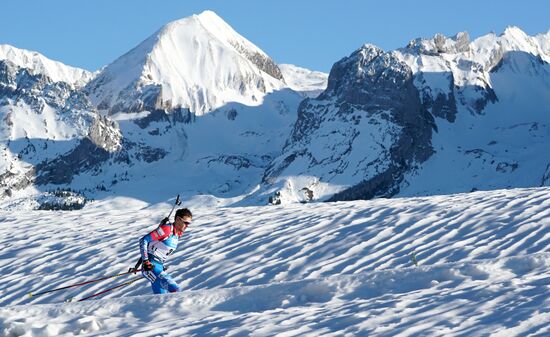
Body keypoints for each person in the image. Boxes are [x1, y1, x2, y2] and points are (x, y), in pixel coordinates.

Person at [137, 208, 192, 294]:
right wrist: (146, 261)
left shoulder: (177, 235)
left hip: (158, 267)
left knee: (162, 300)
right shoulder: (166, 229)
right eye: (185, 222)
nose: (187, 225)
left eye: (189, 223)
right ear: (178, 219)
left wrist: (161, 265)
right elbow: (143, 240)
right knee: (175, 290)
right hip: (150, 267)